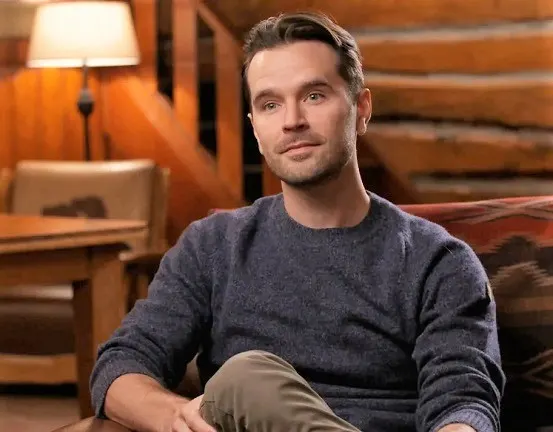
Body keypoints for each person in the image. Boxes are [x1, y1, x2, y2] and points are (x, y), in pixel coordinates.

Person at [90, 11, 505, 432]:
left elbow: (463, 403)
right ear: (255, 129)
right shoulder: (212, 246)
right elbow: (122, 364)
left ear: (361, 109)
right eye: (270, 104)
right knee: (246, 383)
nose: (292, 121)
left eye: (314, 96)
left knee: (245, 378)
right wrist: (174, 416)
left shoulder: (438, 261)